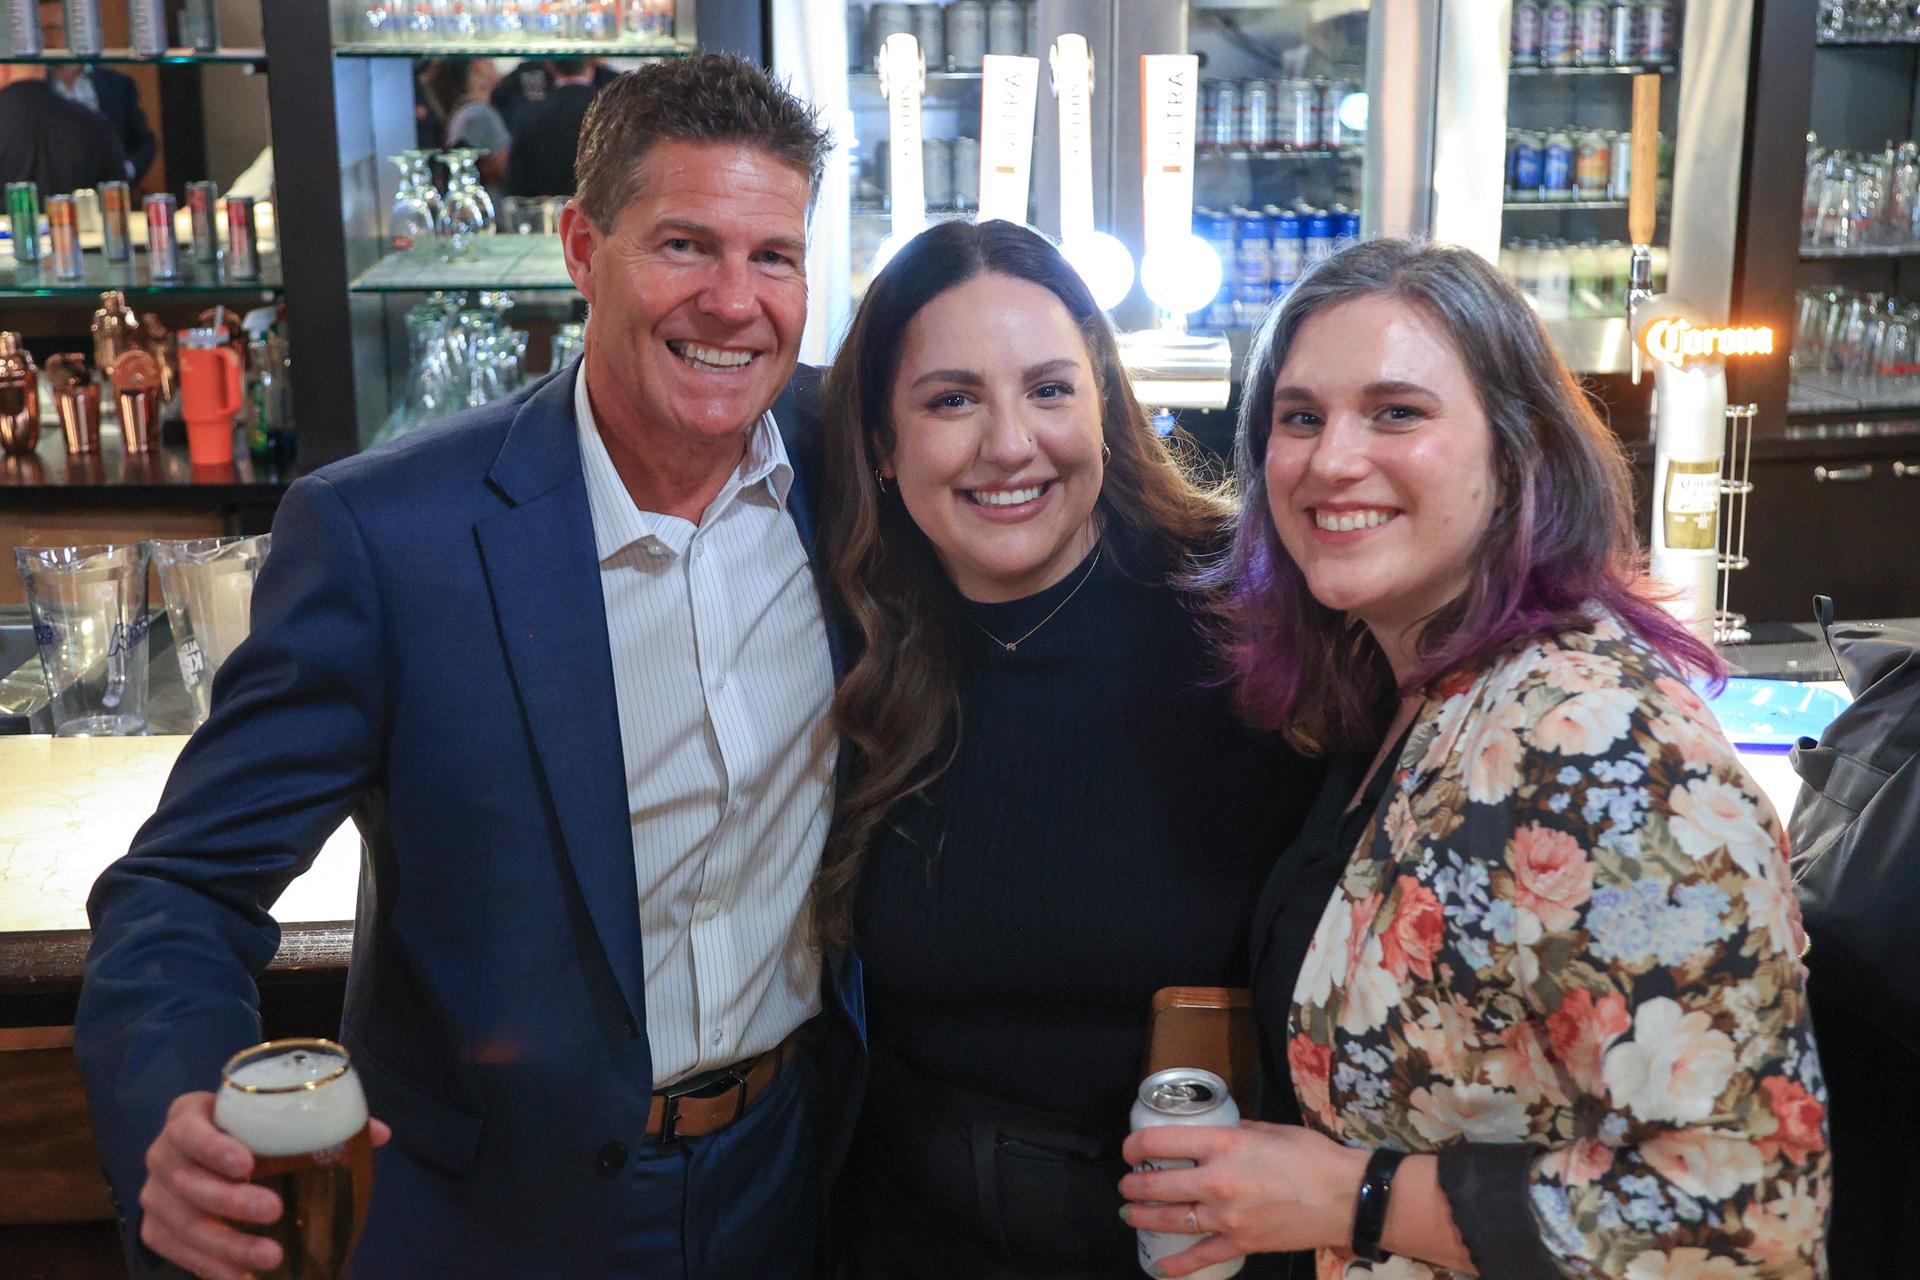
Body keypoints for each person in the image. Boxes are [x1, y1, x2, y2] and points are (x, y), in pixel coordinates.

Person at [75, 53, 862, 1280]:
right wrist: (172, 1113)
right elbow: (179, 890)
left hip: (789, 1175)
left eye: (775, 257)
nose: (733, 301)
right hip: (489, 1217)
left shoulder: (850, 462)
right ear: (579, 247)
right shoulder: (391, 537)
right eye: (684, 246)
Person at [1121, 239, 1831, 1279]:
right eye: (1301, 416)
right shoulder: (1413, 694)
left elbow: (1738, 1214)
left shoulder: (1602, 747)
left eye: (1397, 411)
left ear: (1517, 449)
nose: (1330, 459)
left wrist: (1353, 1196)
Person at [815, 218, 1319, 1276]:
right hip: (905, 1241)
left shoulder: (1257, 629)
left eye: (1049, 389)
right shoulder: (844, 637)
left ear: (1105, 402)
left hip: (1191, 1251)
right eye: (952, 399)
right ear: (880, 443)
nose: (1009, 443)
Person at [0, 62, 126, 194]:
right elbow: (116, 194)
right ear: (42, 68)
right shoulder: (94, 123)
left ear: (4, 69)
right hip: (80, 213)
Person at [507, 58, 603, 198]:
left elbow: (517, 182)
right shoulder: (613, 111)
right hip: (602, 212)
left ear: (549, 65)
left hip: (545, 213)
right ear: (591, 63)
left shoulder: (530, 115)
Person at [53, 63, 157, 184]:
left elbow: (144, 143)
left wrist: (124, 172)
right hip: (55, 191)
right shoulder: (40, 84)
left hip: (108, 190)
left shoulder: (117, 83)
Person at [428, 57, 511, 190]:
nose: (493, 64)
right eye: (489, 59)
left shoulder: (465, 109)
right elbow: (507, 168)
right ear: (477, 65)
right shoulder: (479, 113)